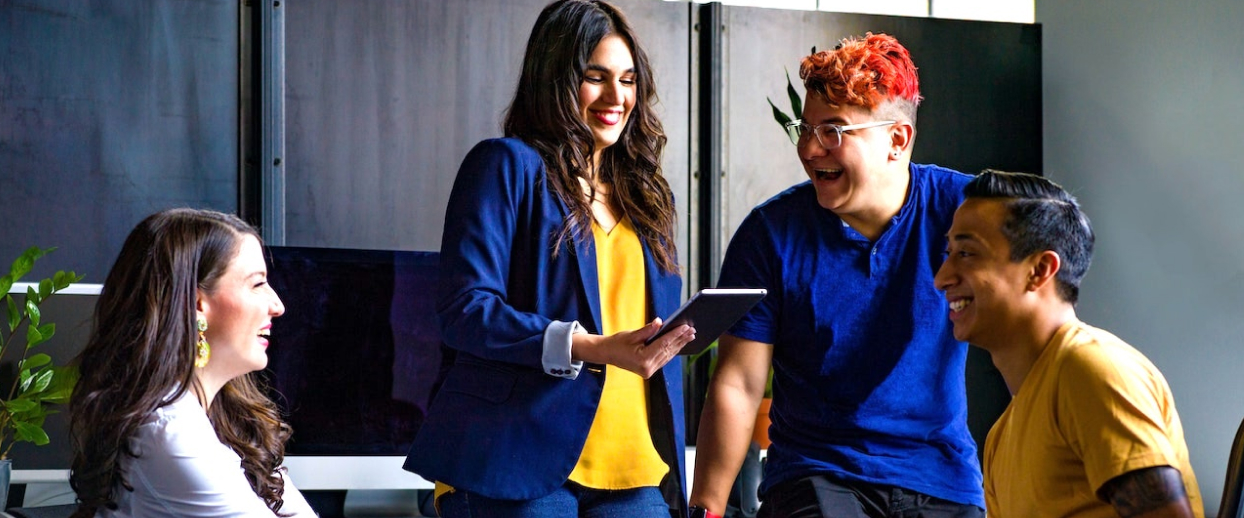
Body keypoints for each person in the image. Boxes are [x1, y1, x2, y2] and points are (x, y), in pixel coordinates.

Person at [401, 1, 695, 517]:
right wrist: (587, 346)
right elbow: (465, 310)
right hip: (515, 455)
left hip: (633, 463)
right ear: (556, 80)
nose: (616, 97)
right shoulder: (506, 165)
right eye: (594, 77)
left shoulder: (646, 196)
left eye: (628, 80)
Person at [689, 33, 984, 518]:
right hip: (816, 474)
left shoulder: (965, 211)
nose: (809, 149)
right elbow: (739, 382)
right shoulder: (770, 235)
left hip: (940, 477)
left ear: (897, 139)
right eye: (804, 129)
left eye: (833, 131)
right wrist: (707, 509)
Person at [934, 170, 1204, 517]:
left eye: (967, 253)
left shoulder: (1091, 370)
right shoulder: (1001, 436)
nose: (942, 277)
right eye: (949, 252)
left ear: (1040, 269)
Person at [67, 208, 315, 517]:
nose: (277, 305)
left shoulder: (231, 421)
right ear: (197, 304)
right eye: (256, 284)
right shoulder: (169, 435)